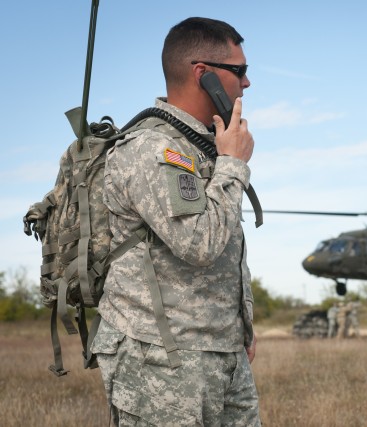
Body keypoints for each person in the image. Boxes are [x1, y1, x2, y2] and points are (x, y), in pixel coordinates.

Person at [90, 17, 260, 426]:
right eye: (239, 71)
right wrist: (234, 164)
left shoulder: (202, 145)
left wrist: (241, 325)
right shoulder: (154, 148)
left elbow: (228, 247)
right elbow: (199, 243)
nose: (248, 83)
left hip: (220, 349)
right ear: (203, 75)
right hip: (163, 356)